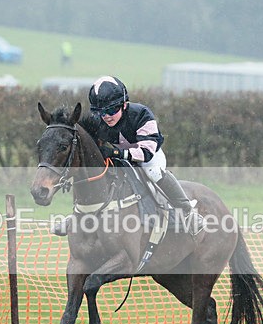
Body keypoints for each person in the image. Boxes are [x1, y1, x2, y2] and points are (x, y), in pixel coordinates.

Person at [51, 75, 203, 236]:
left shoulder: (142, 115)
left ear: (124, 105)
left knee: (153, 172)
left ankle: (188, 212)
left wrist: (115, 152)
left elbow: (146, 153)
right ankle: (75, 216)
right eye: (101, 112)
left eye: (111, 110)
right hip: (119, 157)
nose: (106, 116)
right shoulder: (98, 120)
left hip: (148, 155)